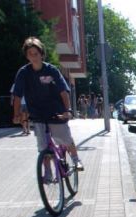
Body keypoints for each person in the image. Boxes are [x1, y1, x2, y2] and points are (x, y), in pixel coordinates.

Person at [12, 37, 83, 171]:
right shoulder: (24, 73)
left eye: (36, 53)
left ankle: (75, 159)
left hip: (56, 110)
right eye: (30, 54)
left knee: (64, 138)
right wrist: (16, 114)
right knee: (43, 146)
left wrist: (67, 110)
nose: (34, 57)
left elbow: (63, 91)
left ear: (42, 54)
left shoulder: (51, 70)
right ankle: (48, 172)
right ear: (27, 56)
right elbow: (17, 95)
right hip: (37, 113)